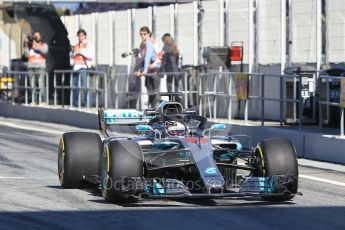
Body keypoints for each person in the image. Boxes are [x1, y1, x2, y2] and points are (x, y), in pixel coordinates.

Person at [135, 26, 162, 108]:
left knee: (155, 90)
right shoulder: (143, 44)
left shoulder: (150, 42)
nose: (142, 36)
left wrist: (146, 69)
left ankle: (156, 110)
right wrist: (140, 69)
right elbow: (142, 59)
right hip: (150, 69)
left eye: (144, 34)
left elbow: (149, 56)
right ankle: (152, 109)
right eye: (141, 34)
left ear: (149, 34)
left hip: (155, 69)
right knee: (149, 87)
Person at [70, 29, 94, 107]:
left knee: (85, 86)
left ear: (85, 36)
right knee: (75, 87)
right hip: (76, 67)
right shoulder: (76, 45)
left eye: (81, 35)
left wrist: (80, 51)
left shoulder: (88, 45)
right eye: (79, 36)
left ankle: (88, 103)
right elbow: (71, 56)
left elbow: (90, 56)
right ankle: (75, 103)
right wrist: (72, 51)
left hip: (84, 67)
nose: (80, 37)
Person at [24, 31, 48, 104]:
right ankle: (34, 100)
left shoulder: (43, 45)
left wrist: (36, 45)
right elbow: (26, 55)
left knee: (41, 84)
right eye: (35, 36)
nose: (36, 37)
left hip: (40, 66)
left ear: (40, 37)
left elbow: (44, 51)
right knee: (32, 85)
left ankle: (43, 100)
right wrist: (26, 45)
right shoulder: (29, 46)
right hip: (31, 66)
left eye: (37, 36)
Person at [160, 33, 181, 102]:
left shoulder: (165, 47)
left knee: (169, 87)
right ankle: (177, 101)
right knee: (176, 88)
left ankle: (171, 101)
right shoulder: (175, 47)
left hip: (169, 70)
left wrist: (161, 70)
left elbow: (164, 60)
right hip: (176, 70)